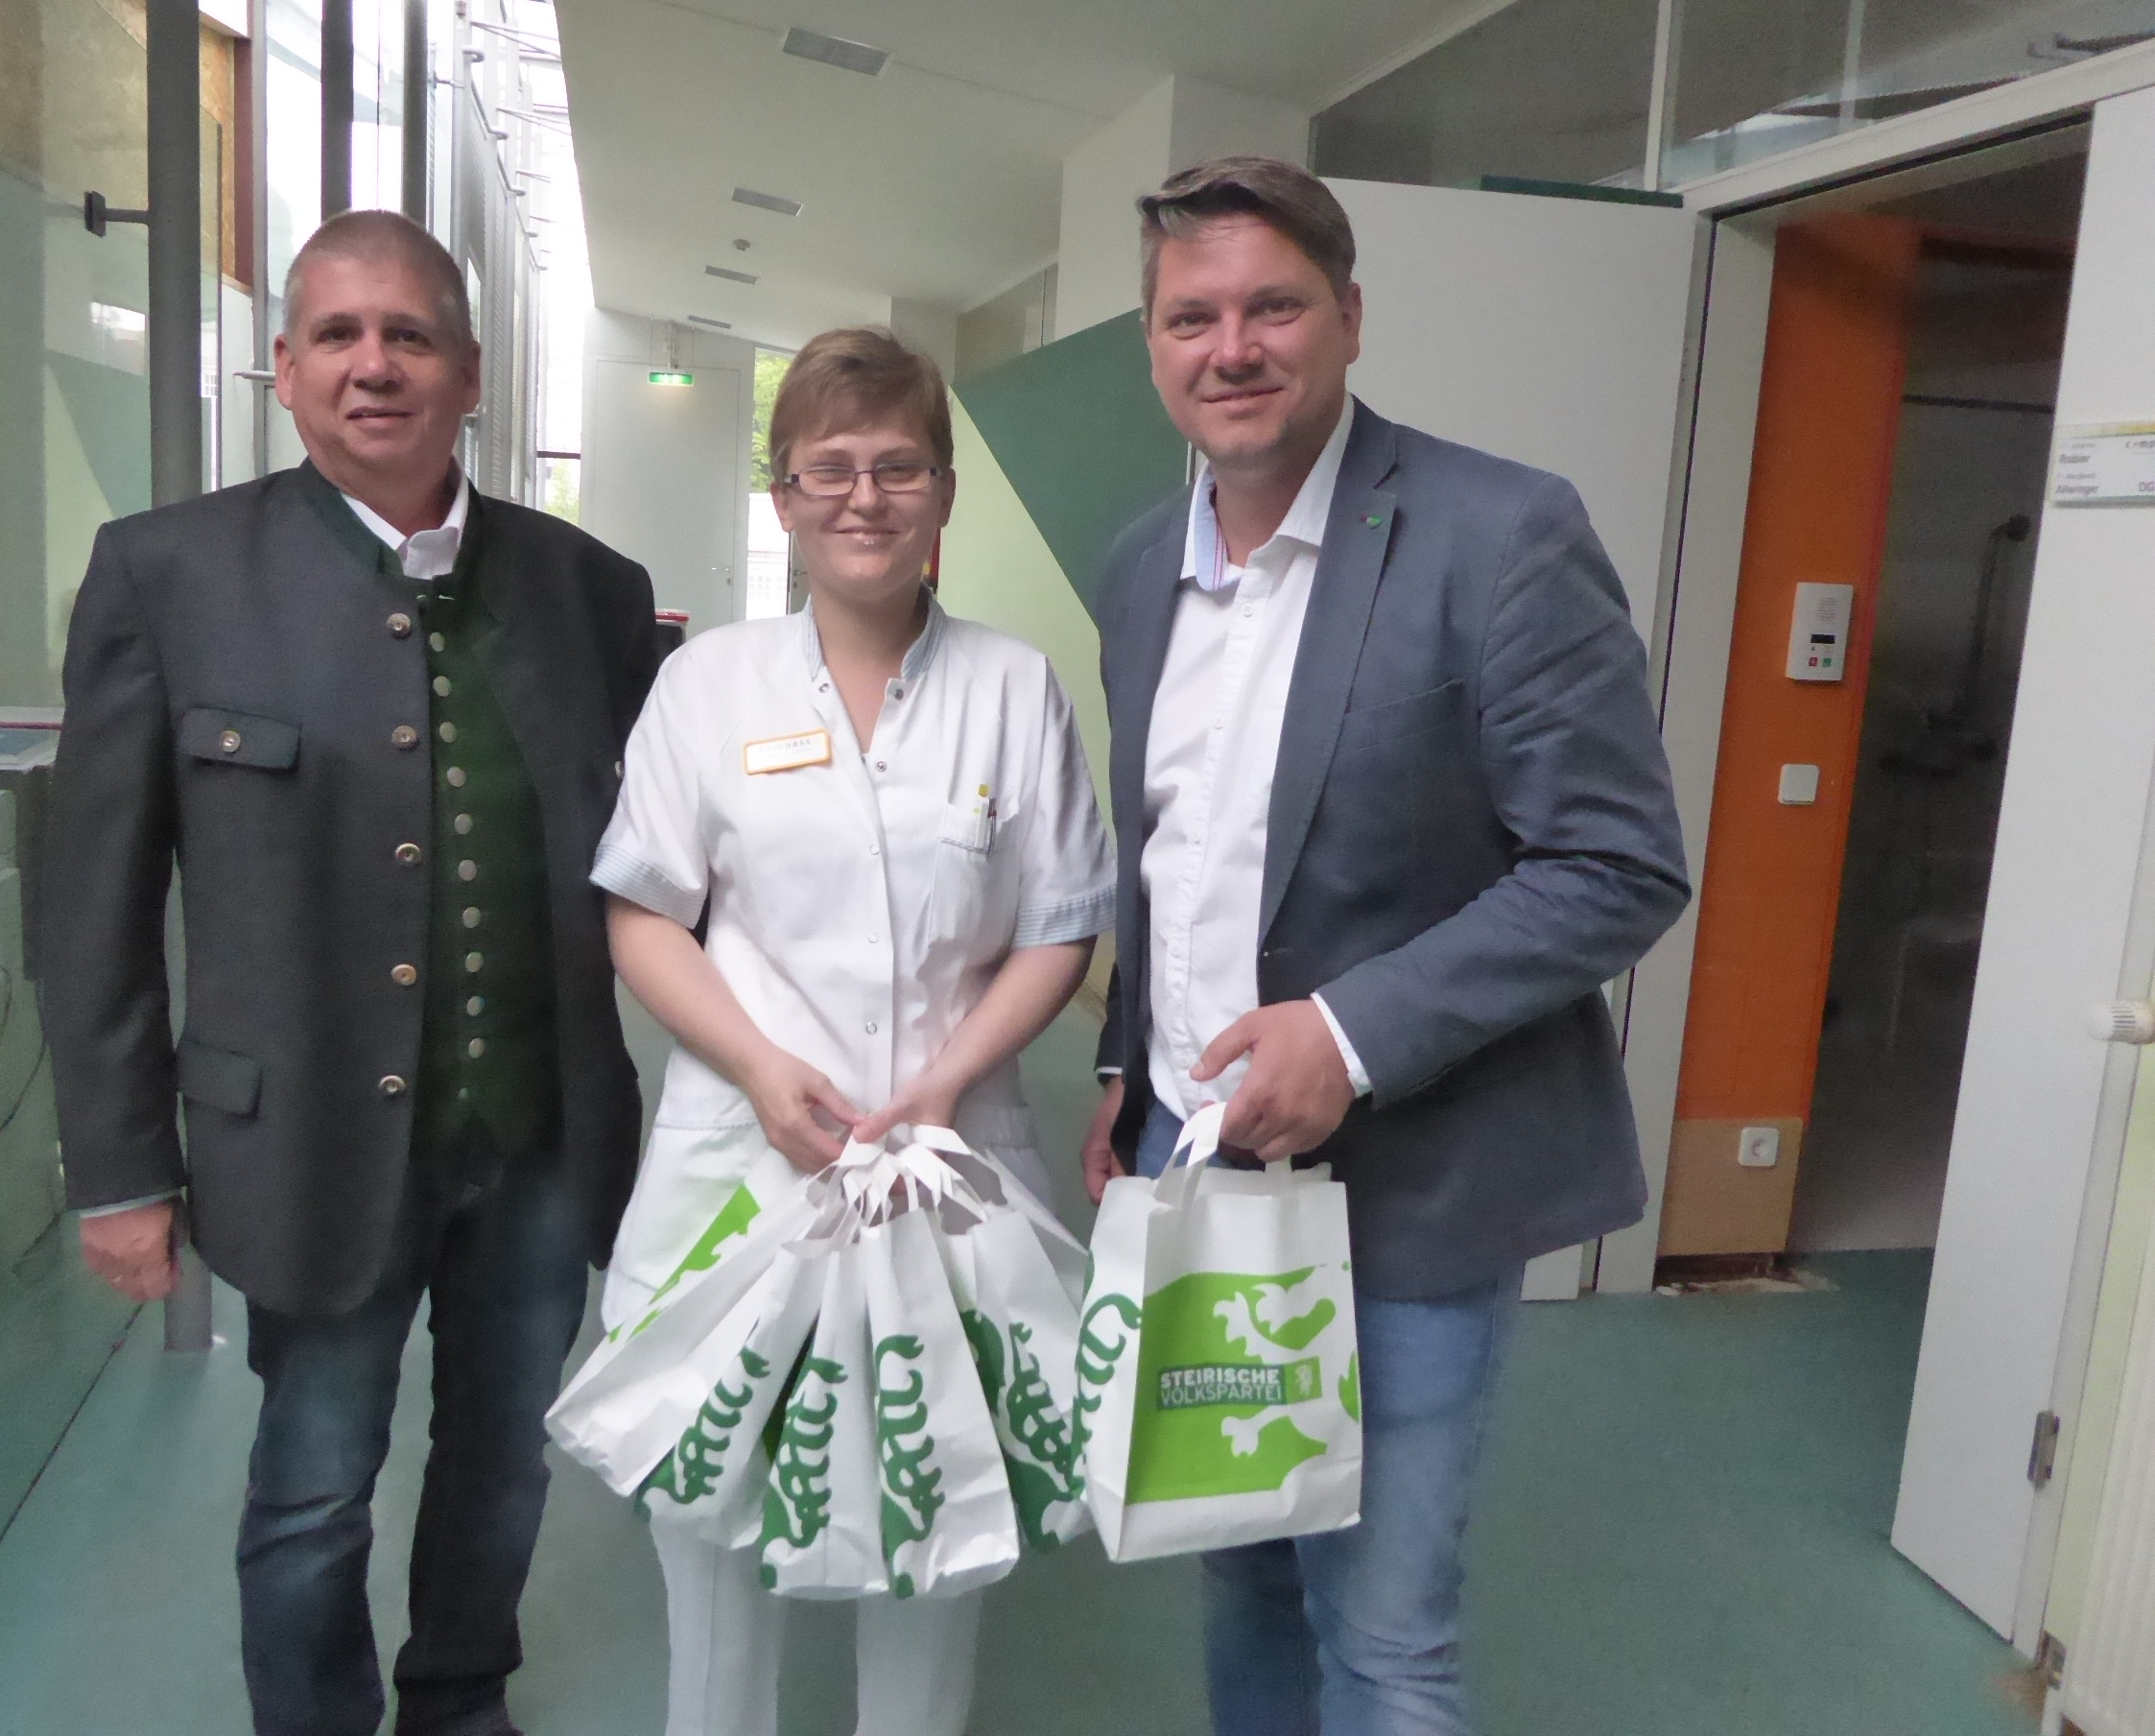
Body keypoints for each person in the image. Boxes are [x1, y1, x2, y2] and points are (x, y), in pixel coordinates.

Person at [1081, 156, 1691, 1735]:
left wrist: (1347, 1036)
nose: (1232, 348)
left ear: (1349, 317)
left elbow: (1617, 864)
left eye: (1273, 307)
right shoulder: (1142, 565)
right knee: (1238, 1570)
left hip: (1413, 1188)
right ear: (1152, 345)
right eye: (1192, 318)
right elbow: (1175, 855)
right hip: (1198, 1165)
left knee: (1383, 1632)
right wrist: (1123, 1067)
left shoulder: (1503, 534)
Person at [42, 209, 661, 1736]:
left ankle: (460, 1700)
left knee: (504, 1457)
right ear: (285, 369)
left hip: (538, 1136)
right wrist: (119, 1168)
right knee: (315, 1486)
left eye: (409, 335)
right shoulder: (169, 574)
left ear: (469, 372)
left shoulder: (589, 589)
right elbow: (96, 900)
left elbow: (682, 853)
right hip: (305, 1141)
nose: (373, 365)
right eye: (338, 334)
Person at [592, 327, 1113, 1736]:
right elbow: (644, 912)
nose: (864, 498)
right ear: (783, 495)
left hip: (953, 1172)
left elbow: (1060, 925)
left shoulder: (1014, 688)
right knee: (709, 1523)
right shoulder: (708, 688)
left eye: (898, 466)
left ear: (944, 492)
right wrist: (762, 1070)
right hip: (741, 1169)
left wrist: (946, 1081)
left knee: (938, 1529)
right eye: (829, 468)